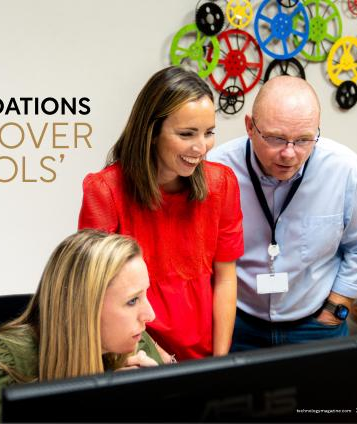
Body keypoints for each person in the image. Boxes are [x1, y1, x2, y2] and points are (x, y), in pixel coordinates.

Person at [78, 66, 244, 361]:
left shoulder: (222, 184)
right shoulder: (105, 191)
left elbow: (226, 279)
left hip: (206, 357)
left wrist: (220, 362)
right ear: (152, 132)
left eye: (209, 133)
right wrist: (162, 361)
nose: (201, 147)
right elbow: (97, 294)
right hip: (138, 356)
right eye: (186, 134)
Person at [207, 75, 357, 351]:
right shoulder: (215, 169)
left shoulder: (345, 170)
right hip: (236, 323)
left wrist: (336, 307)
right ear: (250, 127)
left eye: (303, 140)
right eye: (276, 138)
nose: (289, 154)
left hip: (316, 325)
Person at [0, 230, 162, 422]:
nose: (149, 315)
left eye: (145, 295)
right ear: (82, 309)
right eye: (132, 301)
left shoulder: (135, 347)